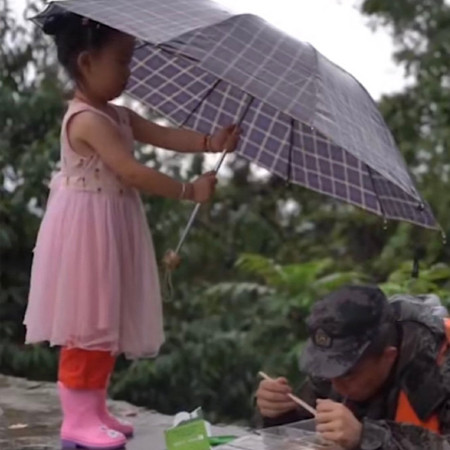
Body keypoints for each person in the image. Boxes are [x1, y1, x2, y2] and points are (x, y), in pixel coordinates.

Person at [24, 11, 240, 450]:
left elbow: (160, 134)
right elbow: (131, 172)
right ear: (86, 62)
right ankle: (77, 419)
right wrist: (188, 190)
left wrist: (209, 142)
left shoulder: (117, 116)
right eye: (122, 61)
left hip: (112, 225)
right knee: (85, 325)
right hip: (86, 231)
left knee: (105, 323)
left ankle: (95, 408)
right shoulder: (85, 120)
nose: (129, 71)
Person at [256, 285, 450, 450]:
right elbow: (304, 434)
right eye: (327, 371)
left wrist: (367, 437)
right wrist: (280, 413)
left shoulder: (440, 369)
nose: (335, 383)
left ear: (388, 356)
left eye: (347, 374)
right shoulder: (335, 360)